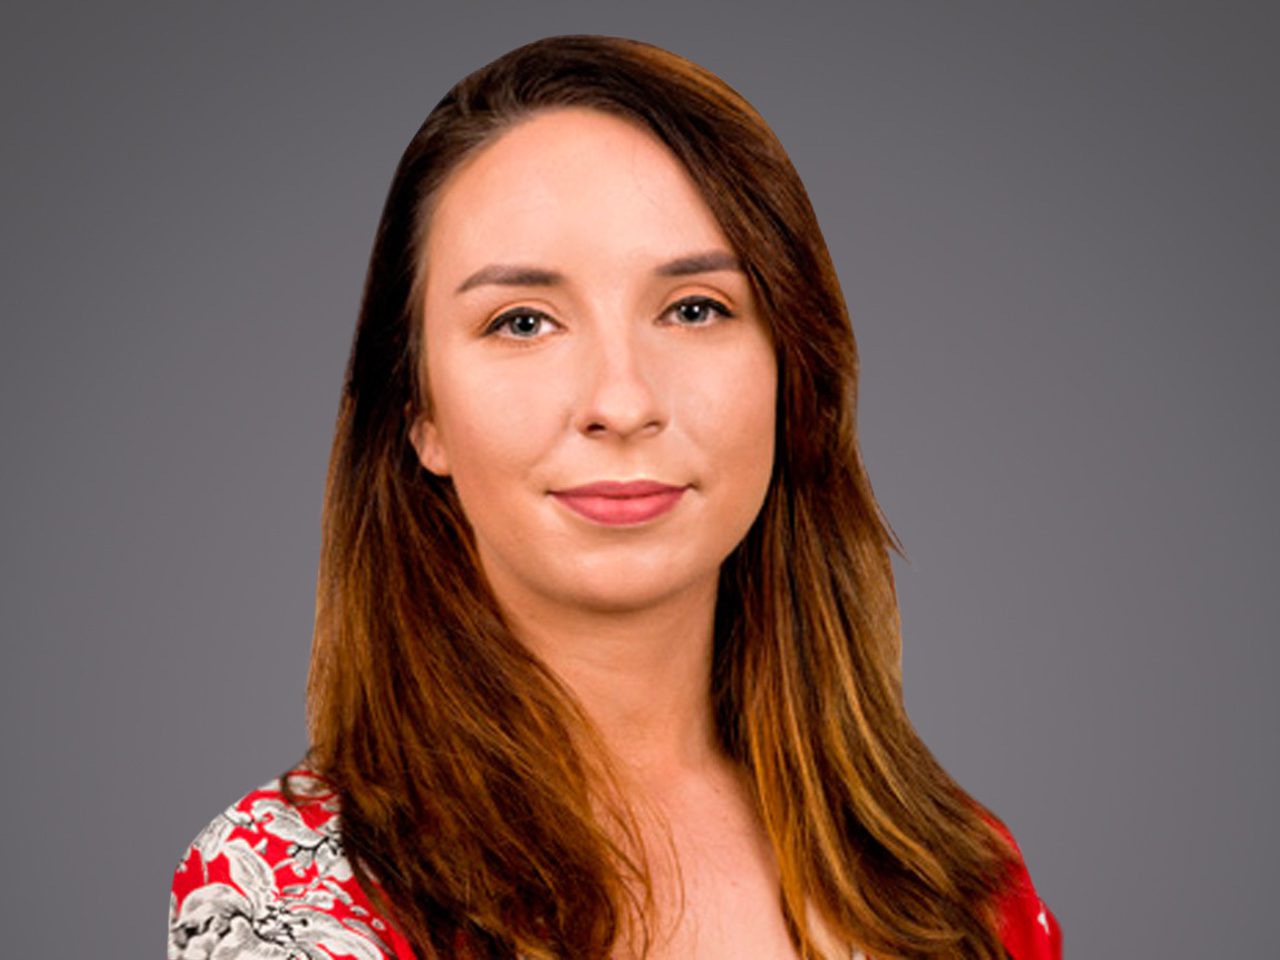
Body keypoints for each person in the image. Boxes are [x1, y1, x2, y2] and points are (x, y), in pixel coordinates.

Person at [168, 34, 1061, 960]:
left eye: (695, 308)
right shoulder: (288, 888)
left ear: (795, 371)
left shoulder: (955, 873)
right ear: (418, 411)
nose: (623, 402)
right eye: (523, 322)